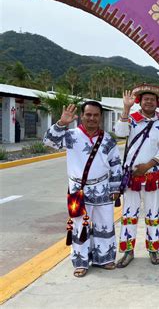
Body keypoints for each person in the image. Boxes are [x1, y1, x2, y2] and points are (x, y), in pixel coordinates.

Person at [43, 101, 122, 278]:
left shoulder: (108, 139)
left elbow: (116, 164)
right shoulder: (71, 135)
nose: (92, 118)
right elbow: (48, 141)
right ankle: (81, 262)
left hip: (103, 188)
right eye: (88, 115)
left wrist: (116, 187)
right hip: (78, 189)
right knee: (79, 226)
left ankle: (105, 258)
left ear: (100, 117)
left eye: (95, 115)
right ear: (82, 115)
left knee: (105, 224)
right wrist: (61, 123)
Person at [114, 84, 159, 268]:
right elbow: (120, 133)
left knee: (153, 213)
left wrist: (148, 165)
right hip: (132, 175)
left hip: (152, 174)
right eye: (146, 99)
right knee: (129, 213)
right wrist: (125, 108)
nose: (149, 102)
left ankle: (153, 250)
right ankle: (128, 251)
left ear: (157, 103)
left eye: (152, 100)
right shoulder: (131, 119)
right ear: (140, 101)